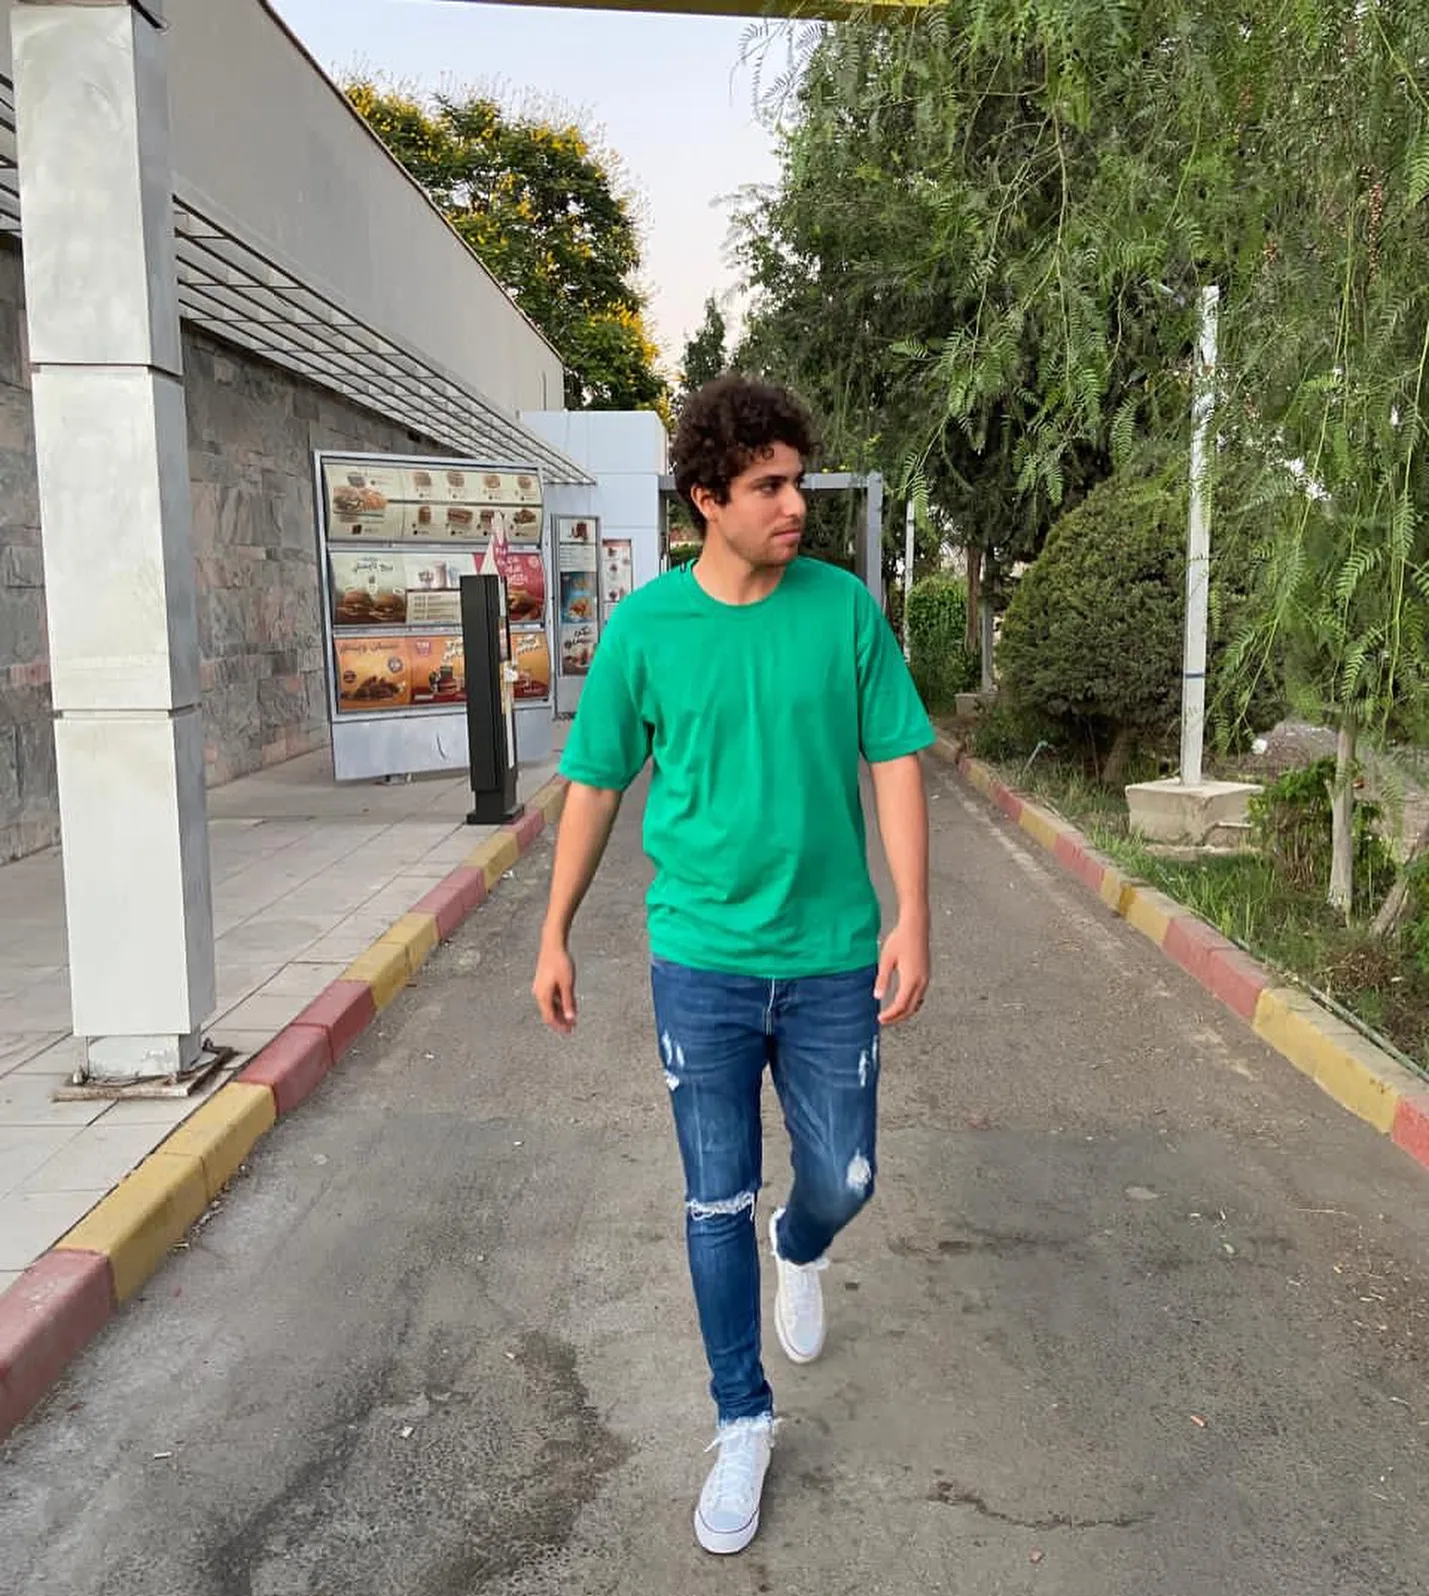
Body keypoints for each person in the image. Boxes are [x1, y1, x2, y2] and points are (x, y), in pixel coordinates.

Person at [532, 375, 933, 1555]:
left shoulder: (842, 612)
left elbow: (895, 757)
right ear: (708, 498)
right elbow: (595, 784)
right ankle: (741, 1418)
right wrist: (554, 930)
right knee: (713, 1196)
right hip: (700, 961)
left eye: (797, 481)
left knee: (844, 1177)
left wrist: (913, 912)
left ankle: (798, 1245)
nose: (794, 504)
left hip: (829, 958)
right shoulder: (645, 629)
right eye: (768, 485)